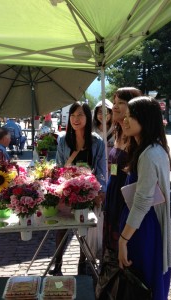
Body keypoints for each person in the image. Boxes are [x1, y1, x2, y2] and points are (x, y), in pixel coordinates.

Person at [118, 96, 171, 300]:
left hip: (142, 230)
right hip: (142, 227)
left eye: (130, 116)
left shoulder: (150, 154)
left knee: (141, 286)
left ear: (146, 119)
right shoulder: (150, 148)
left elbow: (142, 203)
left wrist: (123, 241)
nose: (125, 119)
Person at [49, 102, 106, 276]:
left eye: (80, 115)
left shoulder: (97, 142)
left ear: (88, 118)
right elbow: (59, 166)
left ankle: (83, 264)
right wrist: (61, 181)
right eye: (73, 115)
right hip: (66, 190)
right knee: (61, 228)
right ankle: (57, 264)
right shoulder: (63, 140)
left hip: (87, 191)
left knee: (84, 229)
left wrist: (99, 190)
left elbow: (102, 169)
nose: (76, 119)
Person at [103, 87, 142, 254]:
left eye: (121, 103)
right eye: (114, 102)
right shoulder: (118, 132)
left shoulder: (137, 136)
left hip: (126, 201)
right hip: (112, 194)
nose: (115, 107)